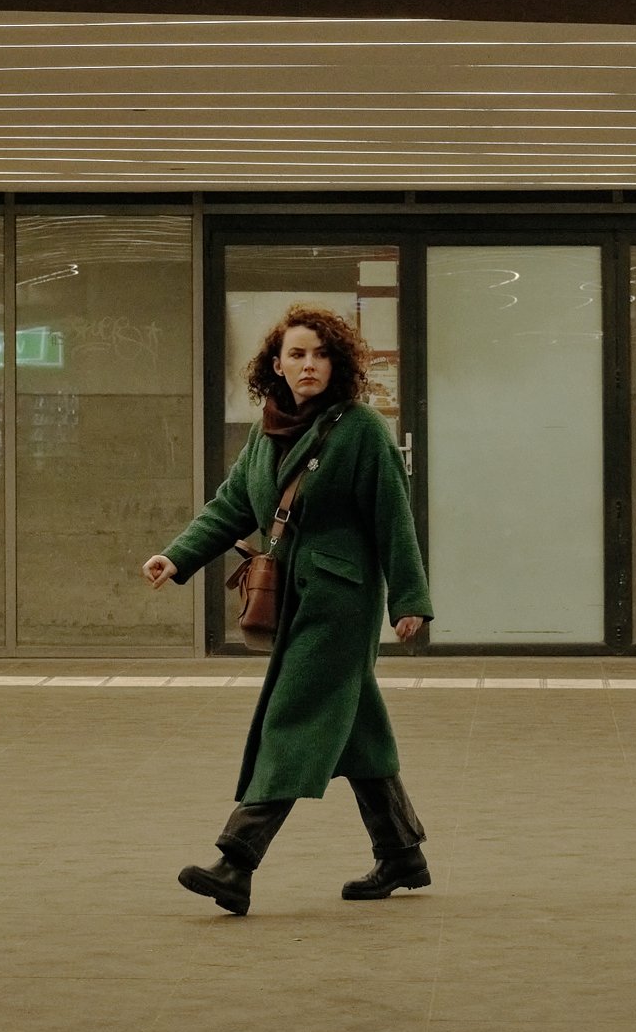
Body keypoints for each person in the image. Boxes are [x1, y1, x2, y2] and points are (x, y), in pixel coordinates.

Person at [142, 305, 433, 914]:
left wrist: (410, 600)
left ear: (338, 363)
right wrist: (177, 556)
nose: (309, 365)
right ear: (275, 365)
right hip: (293, 600)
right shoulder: (266, 431)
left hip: (340, 603)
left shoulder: (362, 430)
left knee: (292, 718)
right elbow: (232, 506)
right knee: (356, 727)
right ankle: (401, 853)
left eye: (321, 354)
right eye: (296, 354)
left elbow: (394, 519)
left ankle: (237, 861)